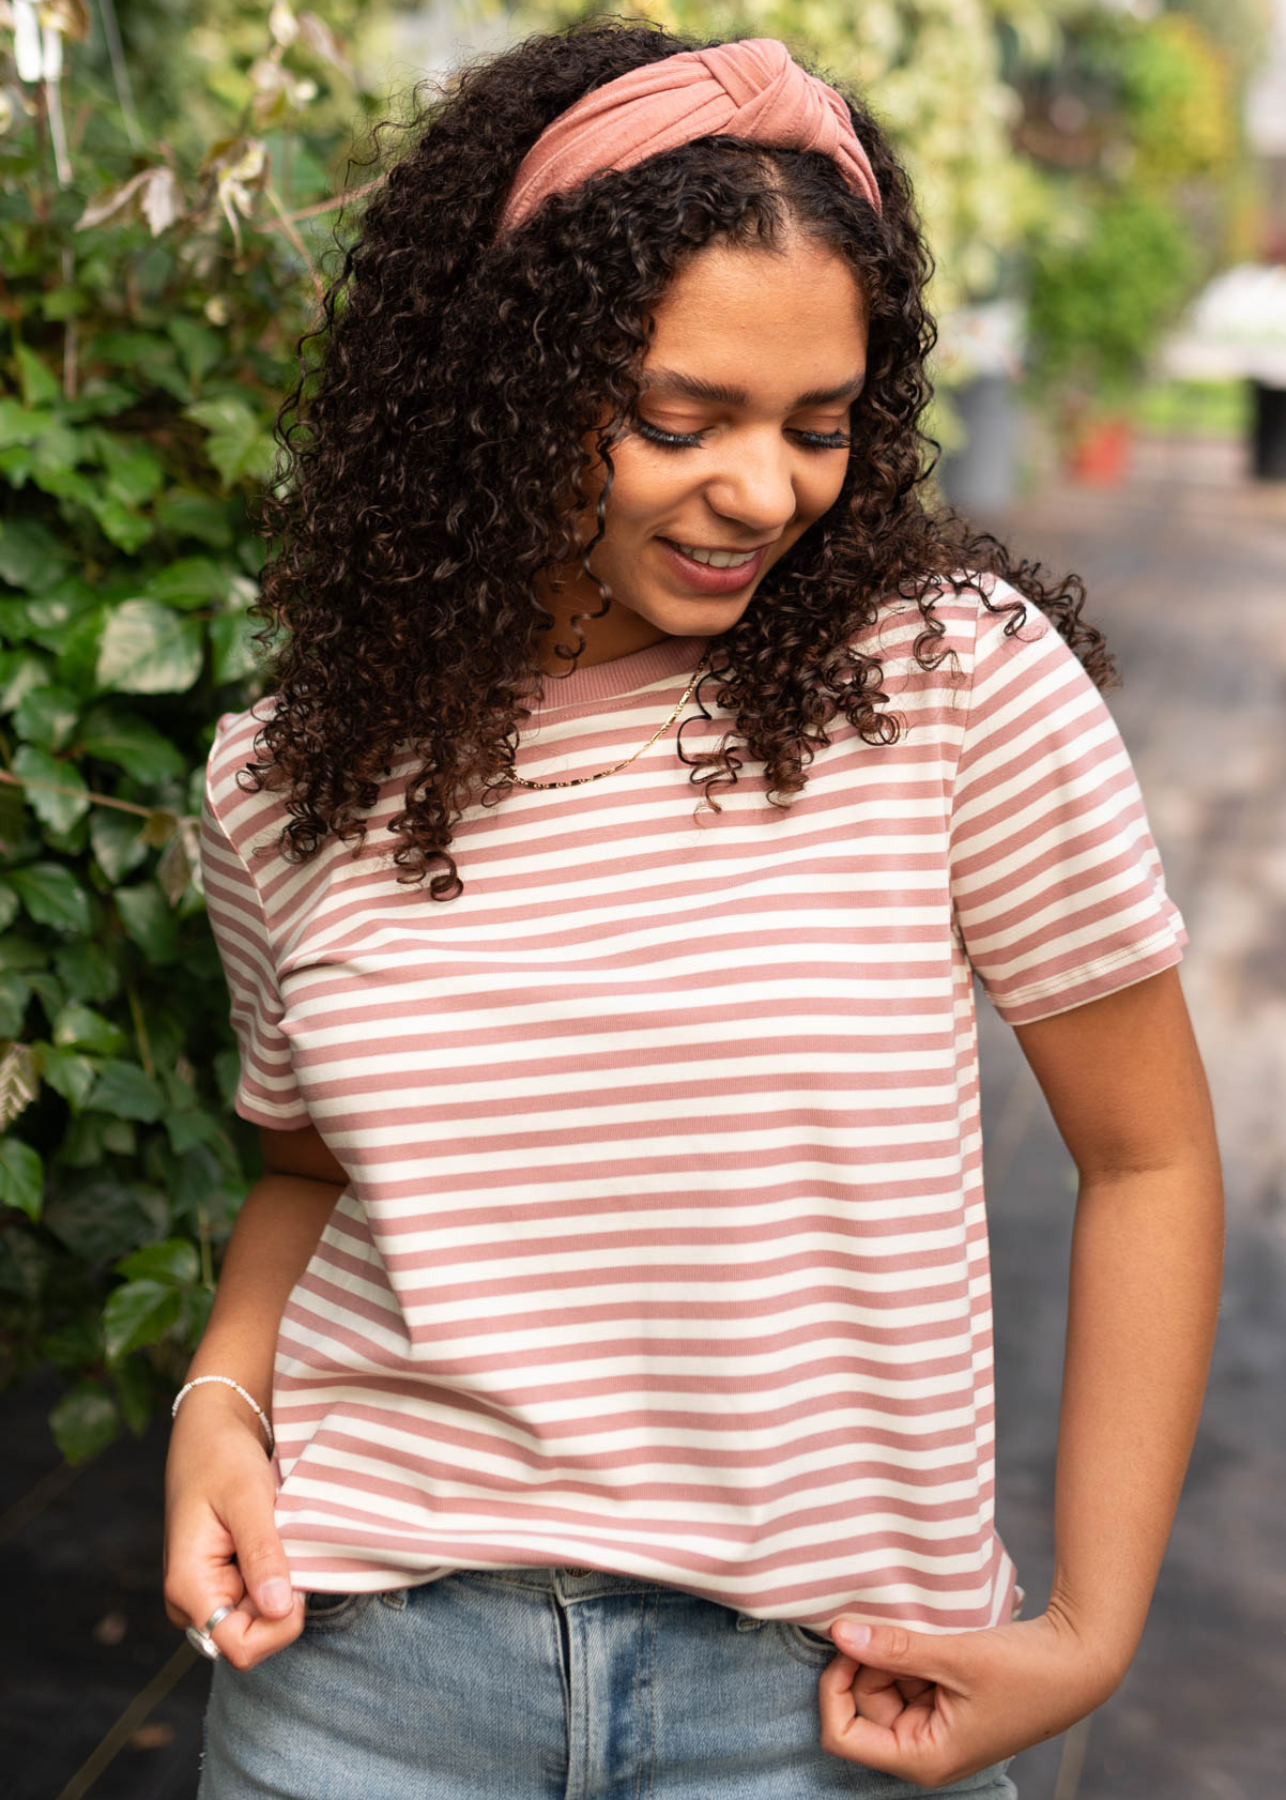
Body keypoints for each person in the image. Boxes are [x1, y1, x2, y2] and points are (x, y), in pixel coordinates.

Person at [164, 22, 1225, 1799]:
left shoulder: (945, 686)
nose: (761, 492)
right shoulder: (292, 776)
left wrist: (1089, 1627)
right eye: (680, 418)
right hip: (363, 1678)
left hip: (823, 1708)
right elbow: (304, 1174)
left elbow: (1147, 1161)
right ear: (502, 383)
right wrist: (218, 1407)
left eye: (818, 426)